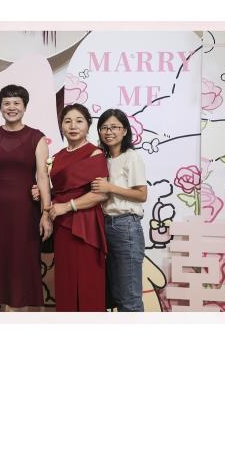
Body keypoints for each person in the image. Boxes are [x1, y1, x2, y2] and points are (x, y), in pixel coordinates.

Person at [0, 85, 52, 310]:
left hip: (25, 214)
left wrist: (46, 213)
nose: (11, 107)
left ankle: (18, 315)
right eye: (6, 103)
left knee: (21, 264)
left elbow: (42, 176)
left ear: (25, 107)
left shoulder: (37, 138)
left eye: (16, 103)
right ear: (0, 107)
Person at [46, 104, 109, 312]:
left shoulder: (94, 153)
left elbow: (100, 194)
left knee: (88, 279)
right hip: (61, 224)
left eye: (79, 121)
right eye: (67, 121)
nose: (73, 126)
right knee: (65, 279)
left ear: (88, 125)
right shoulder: (57, 156)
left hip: (86, 224)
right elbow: (61, 188)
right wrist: (43, 192)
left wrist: (67, 206)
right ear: (61, 126)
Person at [91, 109, 147, 312]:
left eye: (114, 127)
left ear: (125, 131)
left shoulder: (131, 157)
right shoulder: (102, 159)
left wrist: (110, 187)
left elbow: (141, 194)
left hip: (126, 226)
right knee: (114, 294)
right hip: (105, 225)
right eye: (104, 127)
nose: (109, 132)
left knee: (129, 297)